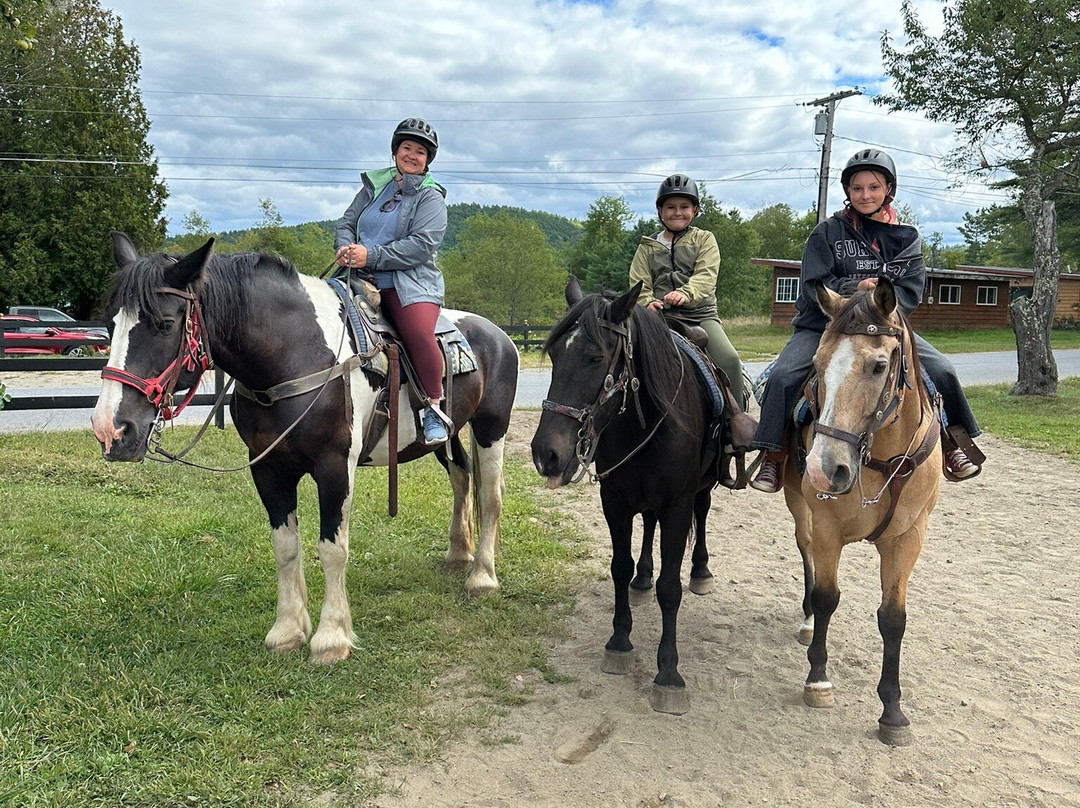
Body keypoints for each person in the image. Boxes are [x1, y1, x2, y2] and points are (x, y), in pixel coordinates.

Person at [748, 148, 983, 493]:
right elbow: (815, 282)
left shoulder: (906, 238)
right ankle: (773, 454)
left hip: (884, 326)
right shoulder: (827, 232)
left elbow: (910, 290)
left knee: (943, 370)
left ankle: (953, 444)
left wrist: (879, 304)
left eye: (873, 187)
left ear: (888, 188)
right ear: (848, 192)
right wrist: (854, 289)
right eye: (857, 188)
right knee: (784, 376)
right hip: (827, 324)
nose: (865, 195)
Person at [335, 117, 452, 445]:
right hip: (358, 277)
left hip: (410, 283)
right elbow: (347, 221)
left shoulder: (431, 198)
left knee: (417, 333)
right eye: (407, 148)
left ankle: (432, 407)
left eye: (420, 152)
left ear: (427, 159)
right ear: (395, 151)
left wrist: (369, 256)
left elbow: (421, 246)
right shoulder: (374, 186)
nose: (412, 155)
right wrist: (345, 248)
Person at [629, 173, 745, 408]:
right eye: (670, 207)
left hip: (700, 316)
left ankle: (735, 423)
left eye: (684, 206)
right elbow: (638, 281)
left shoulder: (704, 239)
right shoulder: (647, 246)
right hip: (658, 316)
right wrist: (647, 302)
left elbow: (706, 275)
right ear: (660, 211)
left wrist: (685, 293)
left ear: (695, 210)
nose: (677, 212)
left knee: (730, 359)